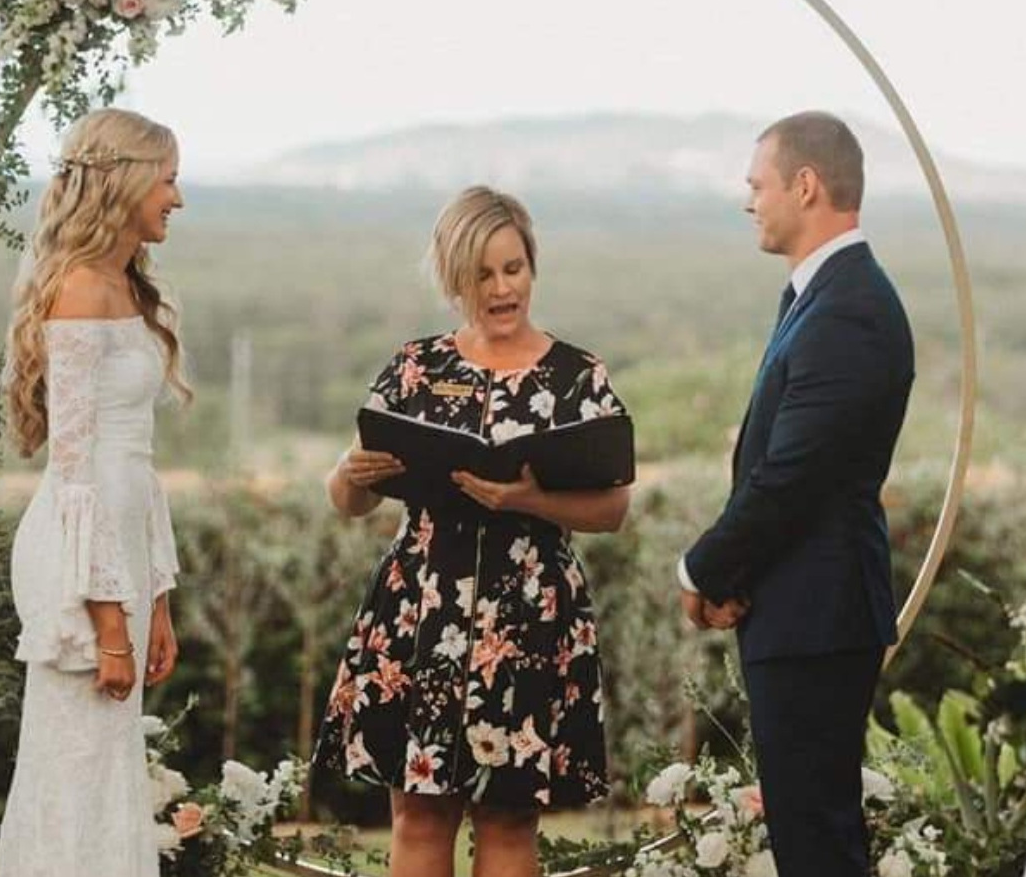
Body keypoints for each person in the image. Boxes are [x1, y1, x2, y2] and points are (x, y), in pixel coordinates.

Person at [315, 186, 632, 877]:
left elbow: (612, 510)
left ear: (532, 268)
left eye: (513, 268)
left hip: (530, 614)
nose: (501, 287)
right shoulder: (414, 367)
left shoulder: (579, 377)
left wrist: (532, 499)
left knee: (511, 816)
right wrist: (351, 470)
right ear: (454, 279)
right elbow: (350, 502)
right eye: (482, 274)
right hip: (423, 606)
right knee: (420, 814)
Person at [678, 112, 914, 877]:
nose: (749, 201)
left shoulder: (848, 308)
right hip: (798, 607)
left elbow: (793, 477)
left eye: (757, 184)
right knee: (808, 834)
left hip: (820, 615)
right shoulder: (822, 297)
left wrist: (702, 570)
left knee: (818, 844)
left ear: (805, 186)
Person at [0, 108, 190, 877]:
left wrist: (159, 596)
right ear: (128, 181)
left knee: (107, 775)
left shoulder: (125, 286)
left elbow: (137, 469)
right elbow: (78, 472)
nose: (177, 197)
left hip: (123, 558)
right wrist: (110, 622)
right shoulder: (79, 290)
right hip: (83, 567)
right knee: (74, 771)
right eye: (169, 179)